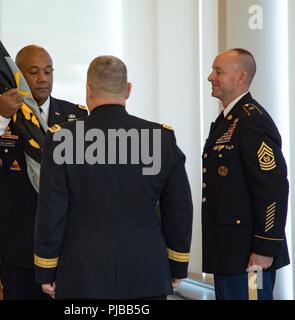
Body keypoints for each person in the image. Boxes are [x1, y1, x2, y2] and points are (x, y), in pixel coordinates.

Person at [34, 55, 193, 299]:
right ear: (128, 90)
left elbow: (51, 210)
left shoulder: (62, 139)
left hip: (81, 272)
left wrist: (46, 269)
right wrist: (177, 264)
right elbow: (179, 208)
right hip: (146, 271)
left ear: (88, 89)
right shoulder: (160, 138)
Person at [0, 45, 88, 300]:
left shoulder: (76, 117)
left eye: (48, 71)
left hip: (63, 239)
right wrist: (1, 116)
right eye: (34, 72)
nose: (43, 78)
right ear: (18, 76)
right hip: (16, 239)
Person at [202, 48, 290, 300]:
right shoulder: (228, 120)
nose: (211, 77)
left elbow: (273, 188)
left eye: (218, 71)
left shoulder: (252, 121)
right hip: (229, 252)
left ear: (241, 77)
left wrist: (265, 246)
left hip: (251, 257)